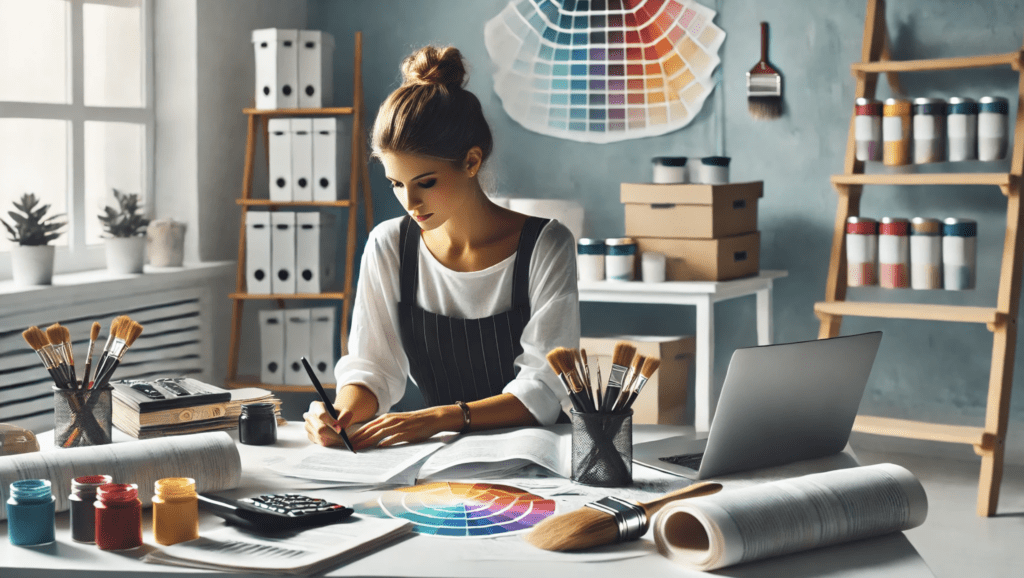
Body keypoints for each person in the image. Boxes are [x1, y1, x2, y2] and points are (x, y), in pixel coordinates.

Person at [303, 45, 580, 450]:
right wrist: (339, 414)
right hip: (442, 456)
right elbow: (372, 368)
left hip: (537, 456)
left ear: (471, 162)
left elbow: (543, 387)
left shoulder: (546, 245)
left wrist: (439, 418)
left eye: (426, 182)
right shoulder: (389, 244)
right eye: (396, 184)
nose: (409, 203)